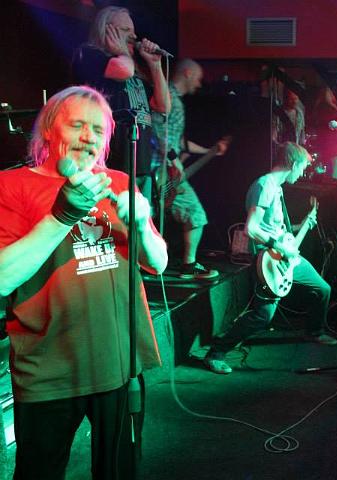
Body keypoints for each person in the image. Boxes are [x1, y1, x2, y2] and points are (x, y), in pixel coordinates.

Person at [0, 86, 167, 479]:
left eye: (98, 130)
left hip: (119, 363)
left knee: (120, 471)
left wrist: (142, 225)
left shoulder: (119, 181)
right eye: (77, 125)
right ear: (48, 130)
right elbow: (3, 278)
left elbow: (158, 263)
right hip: (49, 369)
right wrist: (61, 216)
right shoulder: (12, 185)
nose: (89, 137)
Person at [203, 142, 337, 374]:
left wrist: (303, 225)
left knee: (323, 289)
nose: (302, 173)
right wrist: (281, 247)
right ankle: (216, 353)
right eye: (302, 167)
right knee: (263, 316)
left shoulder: (277, 188)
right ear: (293, 164)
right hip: (269, 260)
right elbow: (251, 228)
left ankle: (314, 331)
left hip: (285, 257)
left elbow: (274, 228)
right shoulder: (264, 185)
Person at [72, 5, 171, 202]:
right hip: (110, 167)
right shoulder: (90, 55)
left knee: (141, 221)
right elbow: (123, 71)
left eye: (133, 31)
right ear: (107, 31)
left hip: (141, 168)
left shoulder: (134, 69)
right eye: (126, 30)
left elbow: (164, 106)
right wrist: (120, 50)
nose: (134, 36)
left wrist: (155, 65)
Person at [152, 58, 228, 280]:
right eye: (198, 78)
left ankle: (176, 265)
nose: (199, 84)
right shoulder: (168, 97)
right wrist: (174, 160)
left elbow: (178, 141)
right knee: (195, 214)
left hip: (163, 171)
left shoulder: (173, 99)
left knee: (154, 218)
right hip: (161, 172)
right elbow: (158, 133)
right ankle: (188, 266)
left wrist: (208, 151)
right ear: (187, 73)